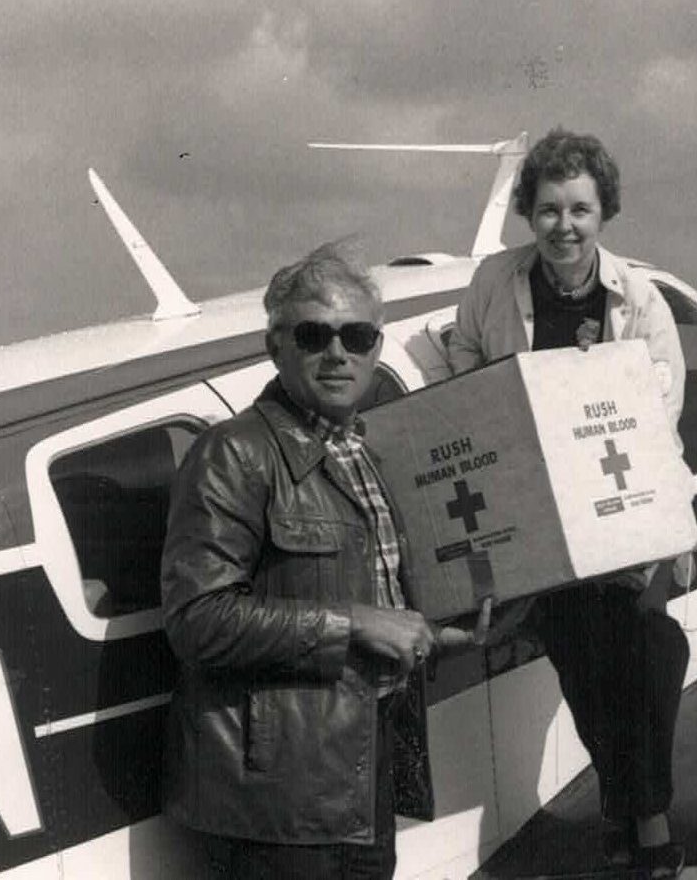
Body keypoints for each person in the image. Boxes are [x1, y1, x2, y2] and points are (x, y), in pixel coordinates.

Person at [161, 242, 487, 879]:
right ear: (275, 345)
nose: (338, 353)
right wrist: (358, 624)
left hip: (361, 779)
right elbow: (197, 619)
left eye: (357, 335)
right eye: (314, 335)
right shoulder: (233, 455)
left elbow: (373, 593)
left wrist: (428, 635)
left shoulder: (367, 452)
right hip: (280, 805)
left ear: (377, 347)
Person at [448, 127, 691, 876]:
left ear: (604, 213)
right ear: (529, 213)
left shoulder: (639, 296)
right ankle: (639, 817)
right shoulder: (494, 282)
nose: (564, 226)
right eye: (549, 209)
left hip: (621, 491)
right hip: (535, 505)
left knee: (647, 653)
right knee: (595, 664)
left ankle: (638, 813)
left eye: (580, 209)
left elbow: (660, 404)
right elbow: (463, 353)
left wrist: (593, 395)